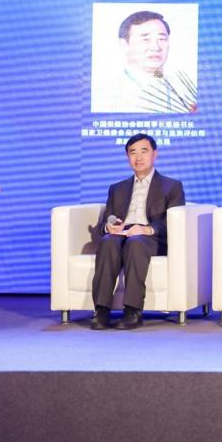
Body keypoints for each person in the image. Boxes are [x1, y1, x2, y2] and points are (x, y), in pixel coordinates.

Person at [89, 133, 186, 330]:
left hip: (150, 236)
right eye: (133, 152)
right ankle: (101, 310)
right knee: (108, 241)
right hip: (121, 233)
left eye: (144, 151)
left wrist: (147, 229)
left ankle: (132, 311)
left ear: (155, 154)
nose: (138, 157)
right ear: (127, 157)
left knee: (136, 242)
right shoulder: (117, 188)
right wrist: (109, 226)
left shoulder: (172, 186)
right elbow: (106, 220)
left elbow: (173, 222)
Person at [93, 10, 198, 114]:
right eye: (146, 39)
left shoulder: (184, 89)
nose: (156, 47)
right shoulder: (105, 96)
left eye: (162, 39)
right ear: (124, 44)